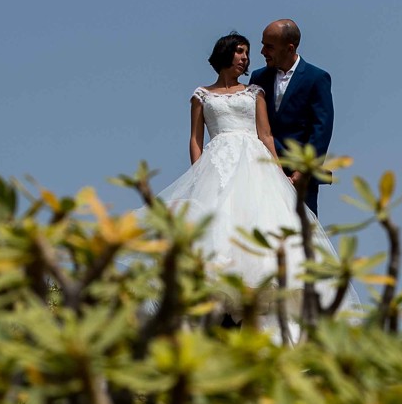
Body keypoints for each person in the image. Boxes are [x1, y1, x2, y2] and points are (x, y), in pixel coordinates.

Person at [148, 30, 351, 341]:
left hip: (254, 162)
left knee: (266, 226)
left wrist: (279, 171)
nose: (249, 56)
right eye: (241, 51)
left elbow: (267, 135)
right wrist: (199, 172)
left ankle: (276, 316)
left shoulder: (255, 90)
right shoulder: (202, 94)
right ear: (226, 54)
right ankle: (220, 314)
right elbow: (194, 139)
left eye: (253, 51)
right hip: (216, 166)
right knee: (219, 231)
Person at [249, 19, 333, 214]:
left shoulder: (316, 78)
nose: (262, 52)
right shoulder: (258, 78)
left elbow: (321, 129)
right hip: (263, 172)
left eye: (268, 46)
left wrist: (302, 172)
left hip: (300, 179)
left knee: (300, 236)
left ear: (289, 48)